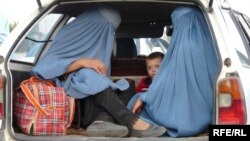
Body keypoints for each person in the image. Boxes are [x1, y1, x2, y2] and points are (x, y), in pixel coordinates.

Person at [32, 5, 166, 137]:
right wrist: (81, 62)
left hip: (90, 92)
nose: (107, 34)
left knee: (126, 84)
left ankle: (102, 122)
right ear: (94, 24)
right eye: (106, 28)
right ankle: (131, 122)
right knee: (89, 75)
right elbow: (43, 68)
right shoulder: (68, 34)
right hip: (71, 96)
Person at [127, 6, 219, 137]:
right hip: (208, 115)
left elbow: (168, 80)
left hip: (180, 118)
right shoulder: (215, 47)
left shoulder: (184, 45)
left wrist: (145, 97)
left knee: (135, 100)